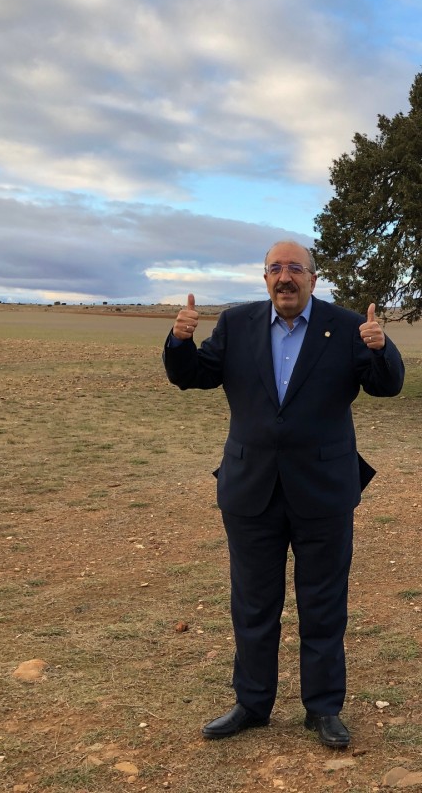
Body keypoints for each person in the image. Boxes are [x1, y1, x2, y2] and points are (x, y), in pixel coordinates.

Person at [163, 239, 405, 748]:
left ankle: (323, 709)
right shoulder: (236, 324)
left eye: (296, 268)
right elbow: (193, 377)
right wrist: (180, 342)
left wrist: (383, 348)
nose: (285, 277)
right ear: (265, 278)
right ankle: (252, 704)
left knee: (323, 605)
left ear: (313, 278)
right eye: (276, 269)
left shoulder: (344, 327)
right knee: (253, 605)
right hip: (252, 490)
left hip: (324, 490)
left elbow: (386, 386)